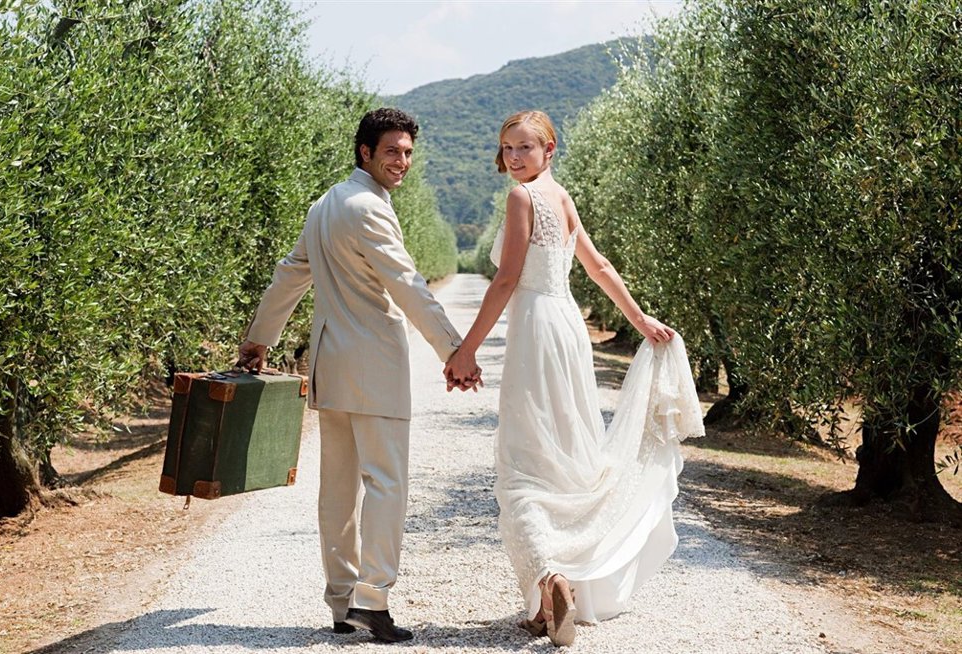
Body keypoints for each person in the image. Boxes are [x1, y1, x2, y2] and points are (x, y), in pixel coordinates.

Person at [446, 110, 704, 646]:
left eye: (525, 147)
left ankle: (549, 576)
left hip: (537, 329)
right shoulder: (561, 197)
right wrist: (640, 320)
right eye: (507, 148)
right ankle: (554, 596)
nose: (514, 157)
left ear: (549, 149)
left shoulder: (522, 198)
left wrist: (466, 349)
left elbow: (507, 279)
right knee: (567, 455)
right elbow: (598, 266)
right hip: (567, 328)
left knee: (524, 461)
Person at [237, 107, 480, 643]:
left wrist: (259, 337)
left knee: (339, 490)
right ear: (365, 152)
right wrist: (454, 350)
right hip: (375, 366)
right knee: (386, 483)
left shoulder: (324, 204)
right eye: (392, 151)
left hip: (332, 365)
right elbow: (407, 284)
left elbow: (290, 274)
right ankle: (372, 600)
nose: (402, 161)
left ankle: (341, 601)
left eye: (408, 152)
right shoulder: (369, 207)